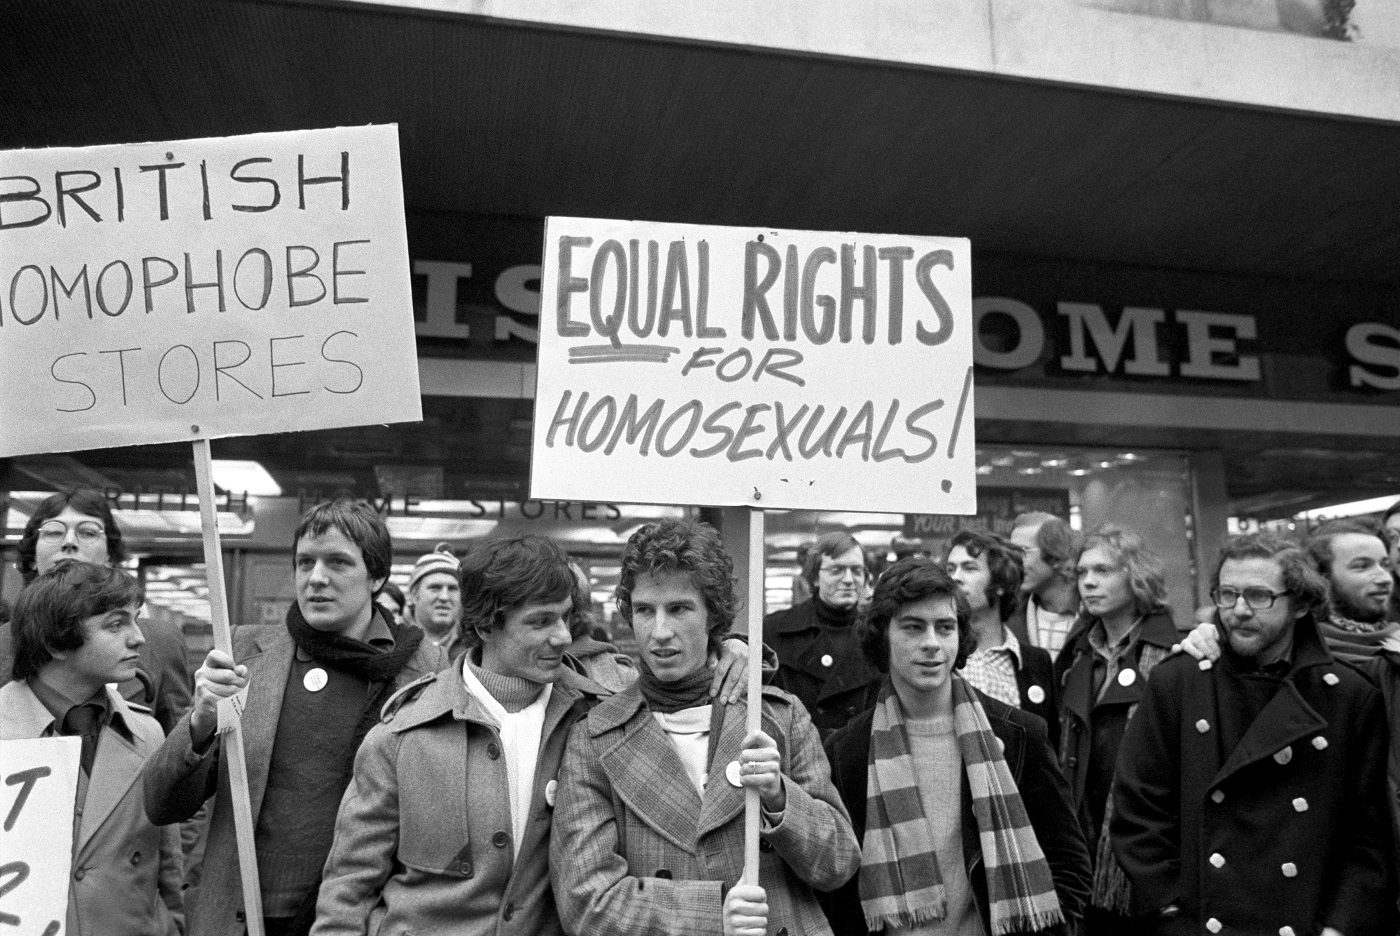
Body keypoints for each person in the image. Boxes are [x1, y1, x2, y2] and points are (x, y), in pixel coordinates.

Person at [143, 499, 450, 936]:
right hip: (241, 912)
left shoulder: (423, 668)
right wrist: (200, 721)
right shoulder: (244, 654)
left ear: (377, 577)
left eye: (338, 562)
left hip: (361, 916)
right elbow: (161, 803)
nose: (316, 578)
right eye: (305, 562)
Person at [551, 518, 860, 936]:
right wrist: (712, 912)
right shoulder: (595, 737)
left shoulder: (776, 717)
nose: (660, 632)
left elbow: (839, 865)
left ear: (713, 615)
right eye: (645, 610)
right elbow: (587, 902)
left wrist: (780, 797)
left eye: (679, 609)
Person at [311, 535, 612, 936]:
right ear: (486, 624)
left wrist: (725, 649)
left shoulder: (595, 718)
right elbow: (348, 888)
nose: (562, 636)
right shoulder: (402, 736)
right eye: (540, 621)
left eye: (565, 617)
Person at [1111, 533, 1395, 936]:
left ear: (1299, 603)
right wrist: (1171, 910)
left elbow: (1366, 835)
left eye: (1259, 596)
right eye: (1227, 594)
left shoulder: (1348, 695)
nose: (1239, 610)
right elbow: (1138, 809)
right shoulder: (1179, 682)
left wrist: (1338, 926)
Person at [822, 557, 1091, 936]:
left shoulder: (1018, 736)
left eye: (944, 628)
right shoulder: (847, 751)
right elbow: (837, 886)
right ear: (883, 635)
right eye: (913, 628)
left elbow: (1070, 864)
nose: (931, 643)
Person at [0, 562, 184, 936]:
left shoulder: (147, 733)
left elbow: (167, 867)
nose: (139, 638)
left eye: (135, 620)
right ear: (55, 642)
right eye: (116, 625)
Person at [1054, 525, 1175, 935]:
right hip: (1081, 843)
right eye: (1083, 572)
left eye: (1104, 570)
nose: (1089, 582)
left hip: (1149, 853)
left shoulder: (1173, 653)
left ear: (1135, 575)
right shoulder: (1078, 653)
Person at [1, 489, 192, 734]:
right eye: (53, 532)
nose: (69, 542)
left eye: (88, 532)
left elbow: (177, 747)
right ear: (33, 558)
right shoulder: (3, 641)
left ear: (110, 556)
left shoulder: (159, 641)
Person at [946, 529, 1061, 753]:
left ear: (1001, 583)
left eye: (969, 568)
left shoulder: (1036, 662)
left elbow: (1048, 747)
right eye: (950, 569)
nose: (955, 577)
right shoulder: (939, 654)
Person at [763, 530, 881, 736]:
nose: (848, 579)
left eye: (856, 571)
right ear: (815, 578)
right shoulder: (776, 630)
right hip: (797, 758)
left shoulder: (878, 633)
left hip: (856, 758)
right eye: (836, 570)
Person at [1305, 518, 1397, 661]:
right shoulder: (1307, 656)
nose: (1385, 579)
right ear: (1323, 576)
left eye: (1385, 565)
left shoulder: (1395, 640)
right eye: (1361, 566)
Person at [1008, 512, 1081, 656]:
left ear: (1056, 554)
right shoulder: (1008, 617)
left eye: (1023, 552)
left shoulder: (1097, 613)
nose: (1013, 562)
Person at [406, 545, 464, 656]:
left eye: (452, 589)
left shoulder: (476, 646)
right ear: (414, 595)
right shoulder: (393, 642)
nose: (444, 597)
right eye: (435, 588)